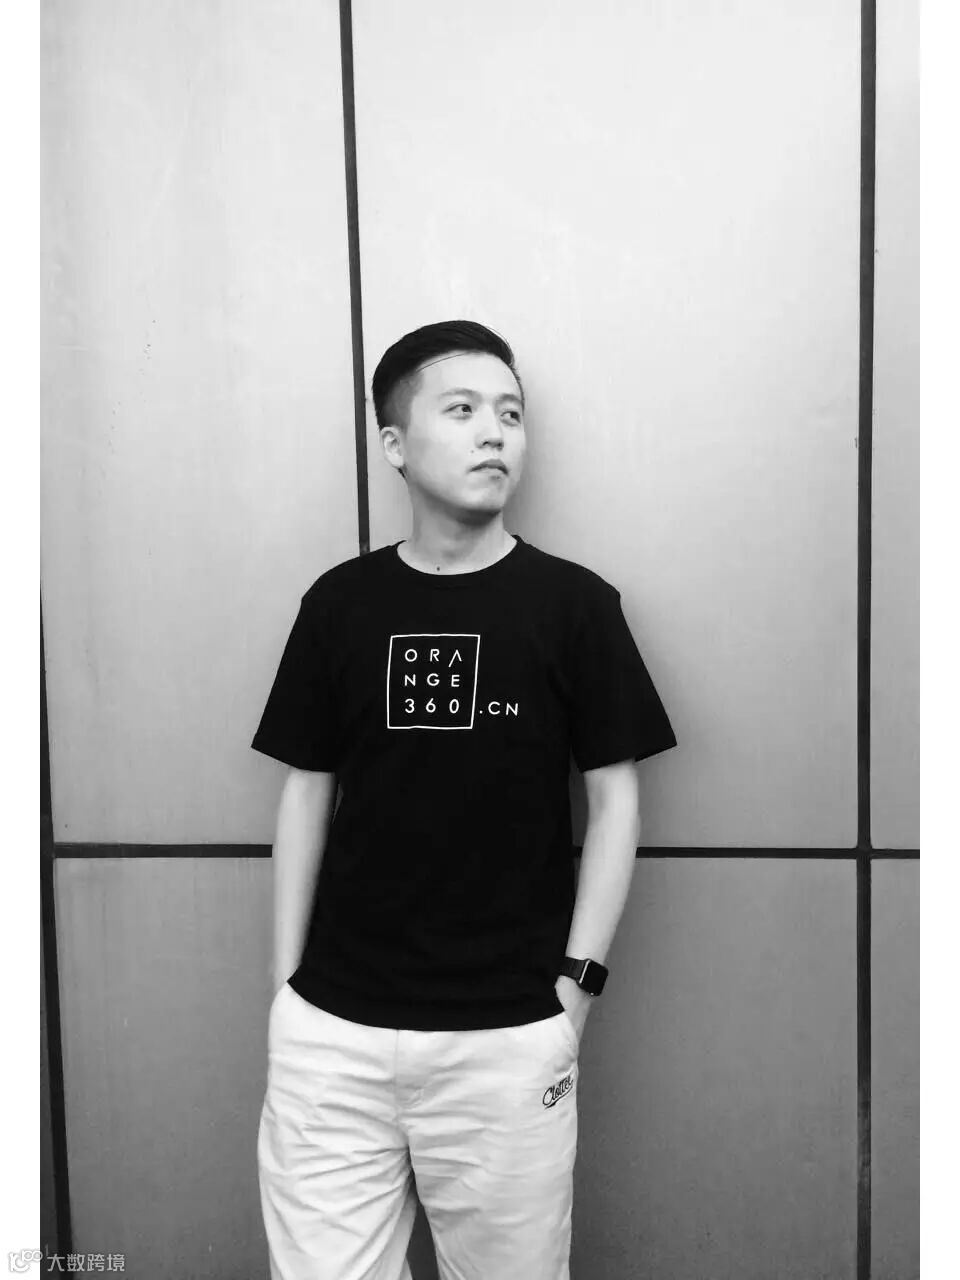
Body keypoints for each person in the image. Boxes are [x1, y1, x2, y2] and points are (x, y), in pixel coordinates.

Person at [253, 319, 677, 1280]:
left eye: (511, 414)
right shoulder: (340, 604)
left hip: (509, 1037)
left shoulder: (575, 606)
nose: (496, 433)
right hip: (333, 1038)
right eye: (463, 409)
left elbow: (616, 802)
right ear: (395, 445)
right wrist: (287, 994)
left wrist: (574, 995)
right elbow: (306, 790)